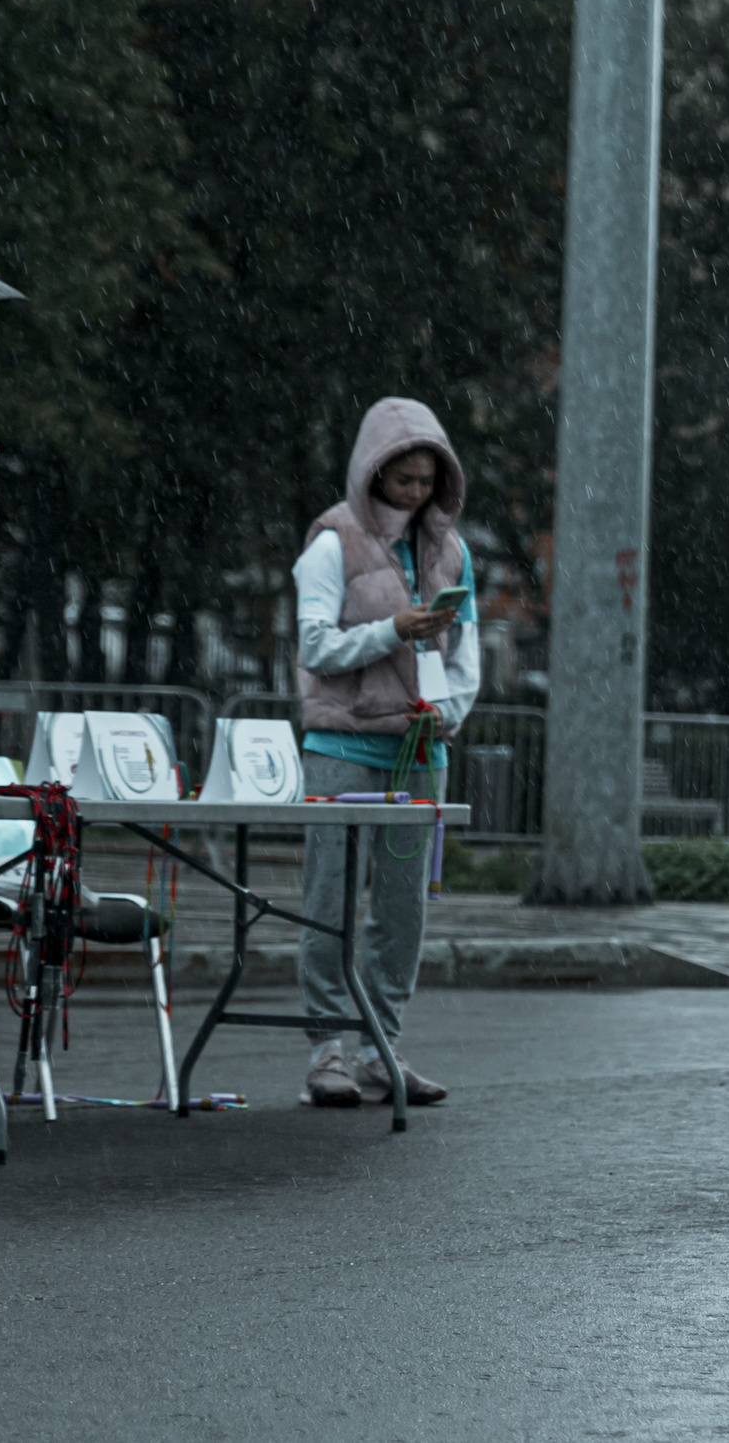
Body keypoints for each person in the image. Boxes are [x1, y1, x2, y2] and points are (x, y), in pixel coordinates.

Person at [291, 397, 478, 1108]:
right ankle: (327, 1050)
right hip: (341, 744)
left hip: (419, 748)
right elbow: (314, 646)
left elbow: (467, 656)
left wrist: (448, 711)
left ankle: (380, 1046)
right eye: (402, 479)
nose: (416, 492)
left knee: (402, 910)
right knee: (329, 901)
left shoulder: (451, 551)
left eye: (428, 479)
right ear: (372, 474)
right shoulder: (332, 543)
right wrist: (392, 630)